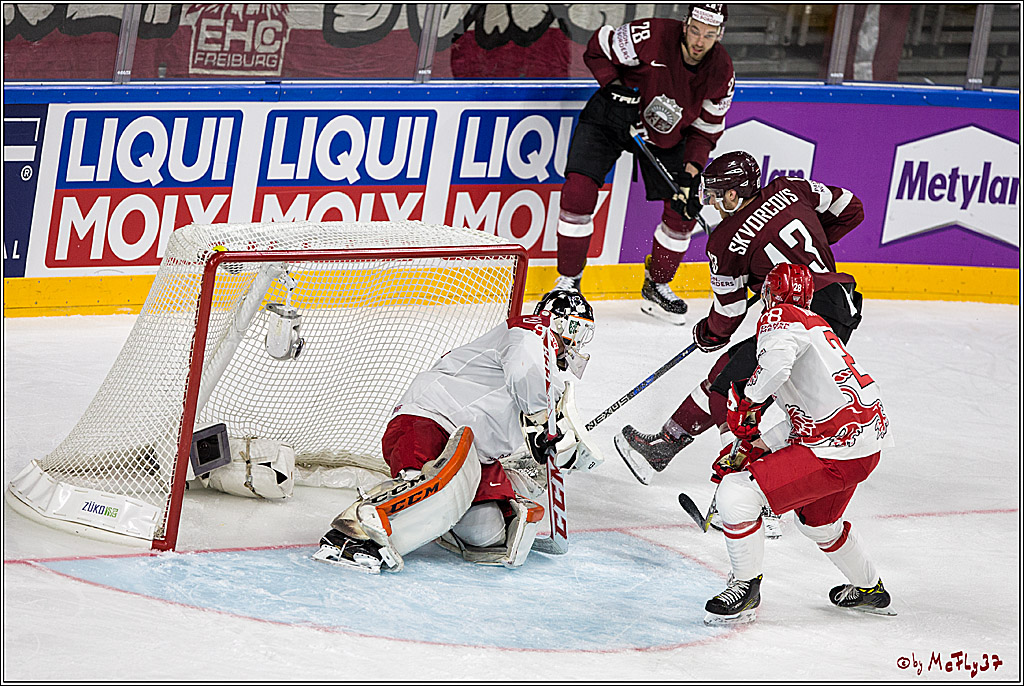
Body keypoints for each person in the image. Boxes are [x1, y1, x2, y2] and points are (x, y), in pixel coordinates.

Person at [616, 150, 866, 485]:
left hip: (800, 317)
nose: (714, 203)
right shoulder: (790, 188)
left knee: (728, 391)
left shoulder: (725, 242)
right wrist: (806, 256)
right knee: (741, 381)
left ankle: (749, 484)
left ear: (733, 193)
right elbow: (852, 209)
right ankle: (667, 444)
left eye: (717, 196)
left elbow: (728, 315)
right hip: (841, 306)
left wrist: (707, 333)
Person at [313, 290, 599, 573]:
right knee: (430, 491)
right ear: (561, 322)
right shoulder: (530, 332)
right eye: (579, 330)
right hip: (433, 420)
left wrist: (569, 450)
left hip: (475, 457)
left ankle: (441, 521)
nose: (579, 342)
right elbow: (524, 371)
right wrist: (542, 423)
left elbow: (551, 422)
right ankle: (350, 535)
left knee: (487, 536)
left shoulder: (550, 384)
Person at [701, 262, 894, 624]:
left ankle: (745, 589)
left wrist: (748, 400)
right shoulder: (818, 327)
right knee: (820, 524)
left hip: (835, 449)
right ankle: (870, 588)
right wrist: (759, 445)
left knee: (737, 493)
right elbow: (806, 414)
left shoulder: (780, 318)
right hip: (863, 444)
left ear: (770, 295)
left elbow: (774, 371)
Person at [549, 4, 735, 324]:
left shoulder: (721, 71)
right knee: (578, 193)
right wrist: (615, 87)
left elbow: (706, 131)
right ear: (685, 24)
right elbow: (596, 49)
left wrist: (691, 174)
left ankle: (657, 284)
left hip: (668, 137)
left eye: (708, 35)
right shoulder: (651, 35)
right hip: (611, 119)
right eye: (694, 31)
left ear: (720, 34)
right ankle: (568, 283)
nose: (699, 41)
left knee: (683, 209)